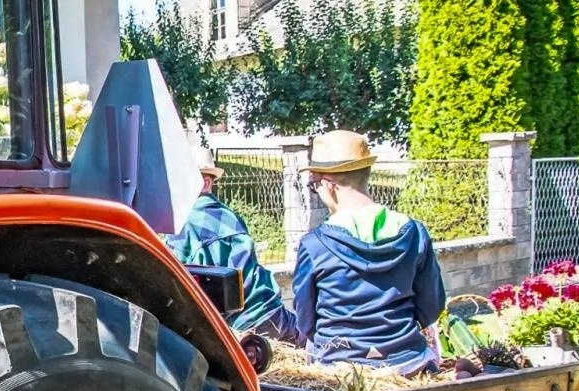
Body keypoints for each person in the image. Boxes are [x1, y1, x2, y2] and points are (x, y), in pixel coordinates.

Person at [292, 130, 446, 374]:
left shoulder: (314, 245)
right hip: (406, 361)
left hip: (338, 366)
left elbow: (305, 319)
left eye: (314, 186)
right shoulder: (414, 232)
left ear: (329, 184)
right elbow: (431, 306)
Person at [165, 147, 298, 341]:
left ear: (205, 183)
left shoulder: (183, 226)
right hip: (271, 313)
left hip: (242, 329)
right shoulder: (229, 215)